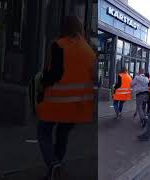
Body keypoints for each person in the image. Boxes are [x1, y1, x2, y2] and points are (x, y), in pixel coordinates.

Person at [35, 16, 96, 180]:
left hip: (55, 102)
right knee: (62, 135)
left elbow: (53, 74)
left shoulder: (59, 45)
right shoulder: (89, 51)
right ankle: (55, 170)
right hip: (76, 104)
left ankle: (54, 165)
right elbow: (93, 77)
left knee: (43, 133)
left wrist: (41, 83)